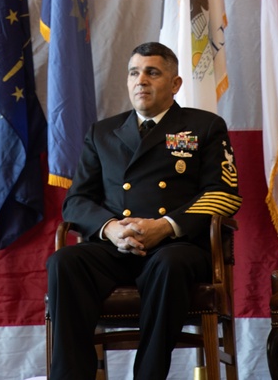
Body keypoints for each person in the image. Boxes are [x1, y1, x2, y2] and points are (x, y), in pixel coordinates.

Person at [46, 41, 242, 380]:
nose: (141, 81)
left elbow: (224, 194)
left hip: (175, 248)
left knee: (170, 263)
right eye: (134, 73)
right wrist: (112, 229)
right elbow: (76, 201)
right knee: (64, 261)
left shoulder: (204, 126)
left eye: (153, 73)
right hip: (115, 248)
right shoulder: (102, 132)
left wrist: (165, 226)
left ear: (175, 83)